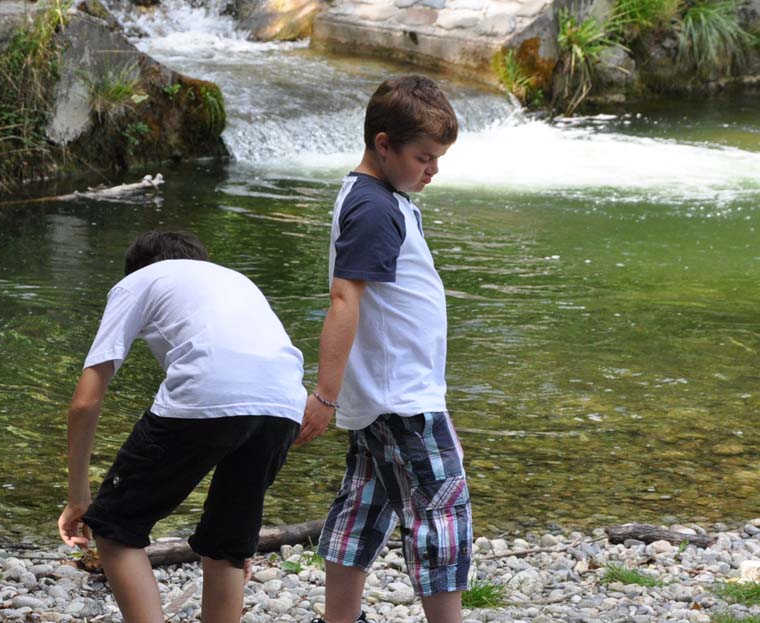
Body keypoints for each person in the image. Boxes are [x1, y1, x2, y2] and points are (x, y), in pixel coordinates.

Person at [58, 230, 307, 623]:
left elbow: (85, 401)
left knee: (114, 524)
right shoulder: (235, 281)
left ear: (138, 268)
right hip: (285, 404)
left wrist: (78, 498)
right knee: (227, 545)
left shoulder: (138, 281)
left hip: (209, 389)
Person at [295, 75, 472, 623]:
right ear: (383, 144)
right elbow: (344, 299)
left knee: (364, 507)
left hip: (383, 394)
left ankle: (339, 618)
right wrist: (325, 396)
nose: (433, 170)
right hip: (404, 398)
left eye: (438, 158)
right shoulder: (373, 208)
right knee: (442, 515)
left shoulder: (380, 197)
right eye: (424, 157)